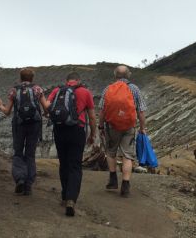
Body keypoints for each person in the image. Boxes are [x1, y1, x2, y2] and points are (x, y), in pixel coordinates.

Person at [0, 67, 50, 195]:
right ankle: (28, 185)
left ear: (20, 78)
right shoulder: (37, 89)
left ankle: (20, 179)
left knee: (18, 152)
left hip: (19, 124)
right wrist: (45, 113)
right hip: (34, 124)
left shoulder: (14, 91)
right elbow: (46, 107)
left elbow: (7, 112)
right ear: (32, 78)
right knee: (30, 154)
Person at [46, 72, 97, 217]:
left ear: (67, 81)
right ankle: (71, 199)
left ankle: (64, 195)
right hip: (77, 130)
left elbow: (47, 107)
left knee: (63, 163)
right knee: (75, 165)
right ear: (78, 80)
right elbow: (92, 117)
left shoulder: (57, 90)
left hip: (59, 130)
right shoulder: (85, 92)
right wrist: (93, 134)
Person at [98, 65, 147, 197]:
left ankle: (113, 179)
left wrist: (100, 126)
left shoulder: (108, 89)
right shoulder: (134, 89)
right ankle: (125, 185)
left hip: (112, 126)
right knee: (127, 156)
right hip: (129, 126)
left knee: (111, 152)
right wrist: (142, 128)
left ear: (115, 75)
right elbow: (141, 111)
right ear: (128, 75)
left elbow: (102, 111)